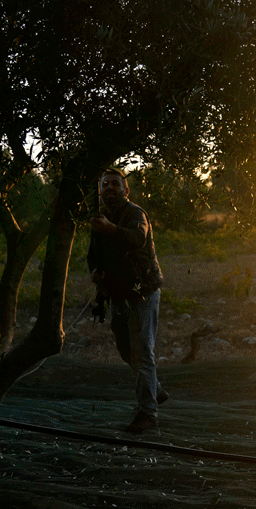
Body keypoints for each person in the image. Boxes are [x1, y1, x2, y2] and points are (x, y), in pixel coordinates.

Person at [87, 168, 167, 433]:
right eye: (105, 185)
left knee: (143, 351)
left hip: (142, 292)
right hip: (118, 294)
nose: (110, 188)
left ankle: (148, 413)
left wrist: (110, 229)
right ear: (100, 191)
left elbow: (137, 238)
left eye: (115, 184)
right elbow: (92, 256)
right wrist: (94, 273)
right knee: (125, 349)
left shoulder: (135, 213)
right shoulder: (100, 219)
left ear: (126, 190)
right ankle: (154, 389)